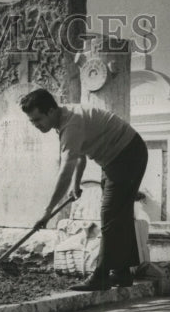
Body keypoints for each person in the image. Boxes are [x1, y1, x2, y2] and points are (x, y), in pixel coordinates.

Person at [20, 88, 148, 291]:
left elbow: (65, 169)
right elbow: (78, 155)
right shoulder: (63, 121)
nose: (36, 125)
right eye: (32, 121)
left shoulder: (71, 124)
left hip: (127, 154)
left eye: (38, 120)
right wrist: (76, 184)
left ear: (51, 110)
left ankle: (102, 276)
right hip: (116, 158)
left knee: (111, 214)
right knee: (118, 213)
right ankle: (122, 273)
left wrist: (47, 211)